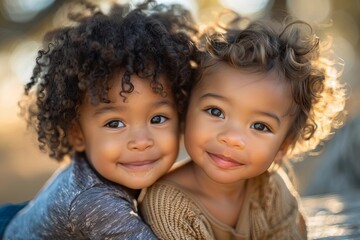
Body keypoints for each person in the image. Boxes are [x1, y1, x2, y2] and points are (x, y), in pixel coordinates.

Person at [140, 13, 346, 239]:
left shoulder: (271, 190)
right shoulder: (166, 204)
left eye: (260, 126)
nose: (232, 138)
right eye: (216, 111)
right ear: (186, 109)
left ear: (283, 147)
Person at [3, 0, 197, 238]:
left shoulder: (106, 174)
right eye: (114, 123)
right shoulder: (95, 203)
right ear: (77, 135)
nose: (141, 140)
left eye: (157, 118)